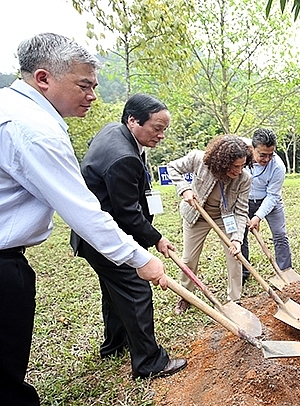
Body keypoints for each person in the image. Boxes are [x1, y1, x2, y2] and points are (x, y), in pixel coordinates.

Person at [0, 33, 166, 405]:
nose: (93, 94)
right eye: (84, 85)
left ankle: (116, 344)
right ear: (44, 78)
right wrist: (144, 256)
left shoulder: (12, 107)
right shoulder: (33, 129)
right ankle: (146, 358)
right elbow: (84, 210)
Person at [71, 93, 187, 379]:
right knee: (136, 291)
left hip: (91, 236)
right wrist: (156, 238)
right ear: (133, 121)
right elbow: (127, 213)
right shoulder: (123, 157)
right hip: (106, 238)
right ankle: (149, 362)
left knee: (114, 292)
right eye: (156, 128)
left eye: (164, 129)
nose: (161, 135)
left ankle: (115, 345)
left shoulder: (113, 131)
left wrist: (154, 237)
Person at [168, 135, 252, 314]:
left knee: (235, 257)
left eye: (242, 165)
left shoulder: (244, 179)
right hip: (196, 215)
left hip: (224, 218)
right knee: (189, 258)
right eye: (235, 166)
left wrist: (237, 240)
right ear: (222, 162)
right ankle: (185, 295)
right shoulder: (198, 159)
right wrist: (185, 188)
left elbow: (242, 211)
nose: (239, 170)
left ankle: (234, 300)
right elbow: (172, 168)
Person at [241, 128, 293, 282]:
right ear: (252, 148)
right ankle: (243, 271)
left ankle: (285, 272)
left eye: (271, 154)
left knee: (280, 235)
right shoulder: (241, 154)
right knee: (240, 236)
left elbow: (272, 196)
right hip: (245, 200)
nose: (267, 159)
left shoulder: (278, 166)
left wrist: (258, 216)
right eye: (262, 155)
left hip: (271, 201)